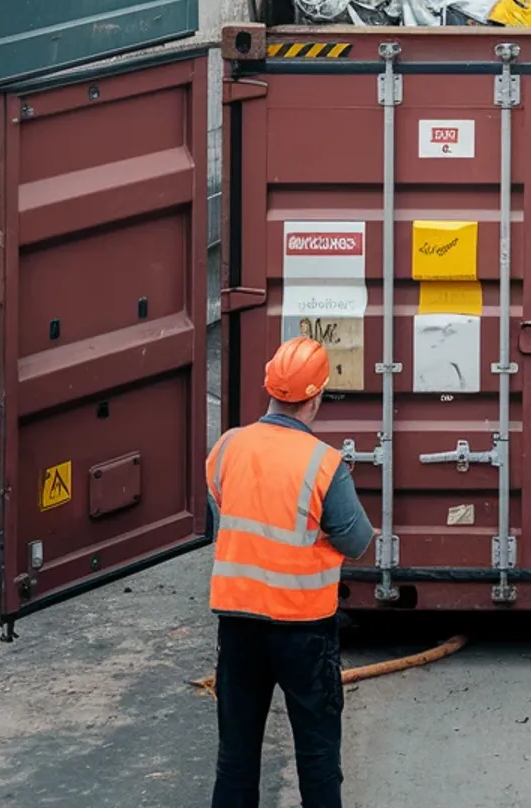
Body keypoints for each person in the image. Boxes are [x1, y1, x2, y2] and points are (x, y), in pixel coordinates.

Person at [205, 335, 374, 808]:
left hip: (237, 626)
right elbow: (357, 542)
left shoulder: (228, 447)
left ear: (270, 389)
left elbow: (222, 499)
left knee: (235, 760)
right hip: (304, 630)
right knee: (318, 759)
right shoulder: (323, 464)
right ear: (316, 396)